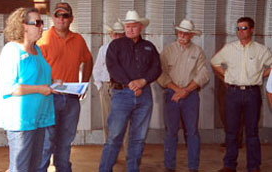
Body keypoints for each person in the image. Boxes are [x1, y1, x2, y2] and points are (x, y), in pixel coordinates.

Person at [99, 10, 162, 172]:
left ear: (141, 27)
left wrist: (143, 81)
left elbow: (157, 68)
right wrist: (131, 84)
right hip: (121, 95)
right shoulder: (115, 46)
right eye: (127, 26)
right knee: (114, 137)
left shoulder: (149, 47)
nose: (130, 30)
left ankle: (133, 169)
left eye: (133, 26)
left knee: (138, 138)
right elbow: (113, 67)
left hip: (144, 96)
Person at [0, 7, 55, 172]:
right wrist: (39, 89)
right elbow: (9, 87)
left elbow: (40, 78)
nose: (42, 26)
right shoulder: (12, 50)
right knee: (20, 168)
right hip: (21, 121)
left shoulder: (38, 50)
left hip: (38, 118)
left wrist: (55, 83)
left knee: (35, 167)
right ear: (23, 26)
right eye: (37, 23)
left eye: (42, 22)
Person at [37, 2, 93, 172]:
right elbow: (35, 68)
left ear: (71, 19)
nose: (61, 19)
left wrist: (84, 84)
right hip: (49, 97)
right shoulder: (43, 39)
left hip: (71, 98)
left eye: (65, 15)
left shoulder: (78, 40)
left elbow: (88, 60)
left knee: (65, 142)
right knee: (46, 142)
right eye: (58, 15)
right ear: (53, 18)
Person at [211, 17, 272, 172]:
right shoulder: (230, 48)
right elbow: (214, 62)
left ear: (252, 30)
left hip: (252, 94)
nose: (240, 31)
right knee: (231, 130)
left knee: (252, 131)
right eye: (238, 28)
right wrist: (226, 76)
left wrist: (262, 75)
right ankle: (230, 165)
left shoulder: (260, 49)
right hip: (233, 93)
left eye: (244, 28)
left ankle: (253, 166)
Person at [157, 19, 210, 172]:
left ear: (192, 35)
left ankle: (193, 167)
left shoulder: (198, 52)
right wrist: (177, 90)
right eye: (180, 32)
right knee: (171, 131)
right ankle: (169, 166)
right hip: (171, 95)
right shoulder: (167, 51)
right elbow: (161, 73)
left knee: (192, 131)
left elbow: (203, 74)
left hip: (191, 96)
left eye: (186, 33)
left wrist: (186, 90)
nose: (182, 35)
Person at [92, 21, 129, 154]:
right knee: (108, 119)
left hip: (124, 88)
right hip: (108, 86)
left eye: (120, 34)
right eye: (115, 34)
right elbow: (96, 69)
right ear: (111, 34)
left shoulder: (129, 49)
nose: (117, 37)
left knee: (126, 120)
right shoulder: (104, 49)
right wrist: (100, 86)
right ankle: (110, 151)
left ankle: (126, 152)